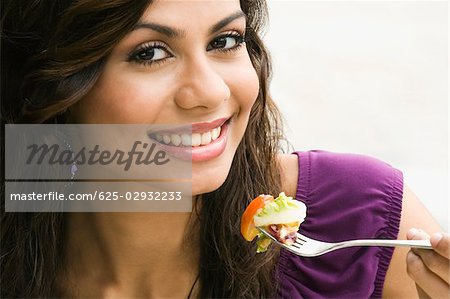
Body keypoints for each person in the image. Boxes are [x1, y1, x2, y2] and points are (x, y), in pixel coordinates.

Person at [1, 0, 448, 298]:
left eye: (225, 41)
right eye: (151, 53)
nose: (211, 93)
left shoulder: (358, 221)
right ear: (51, 83)